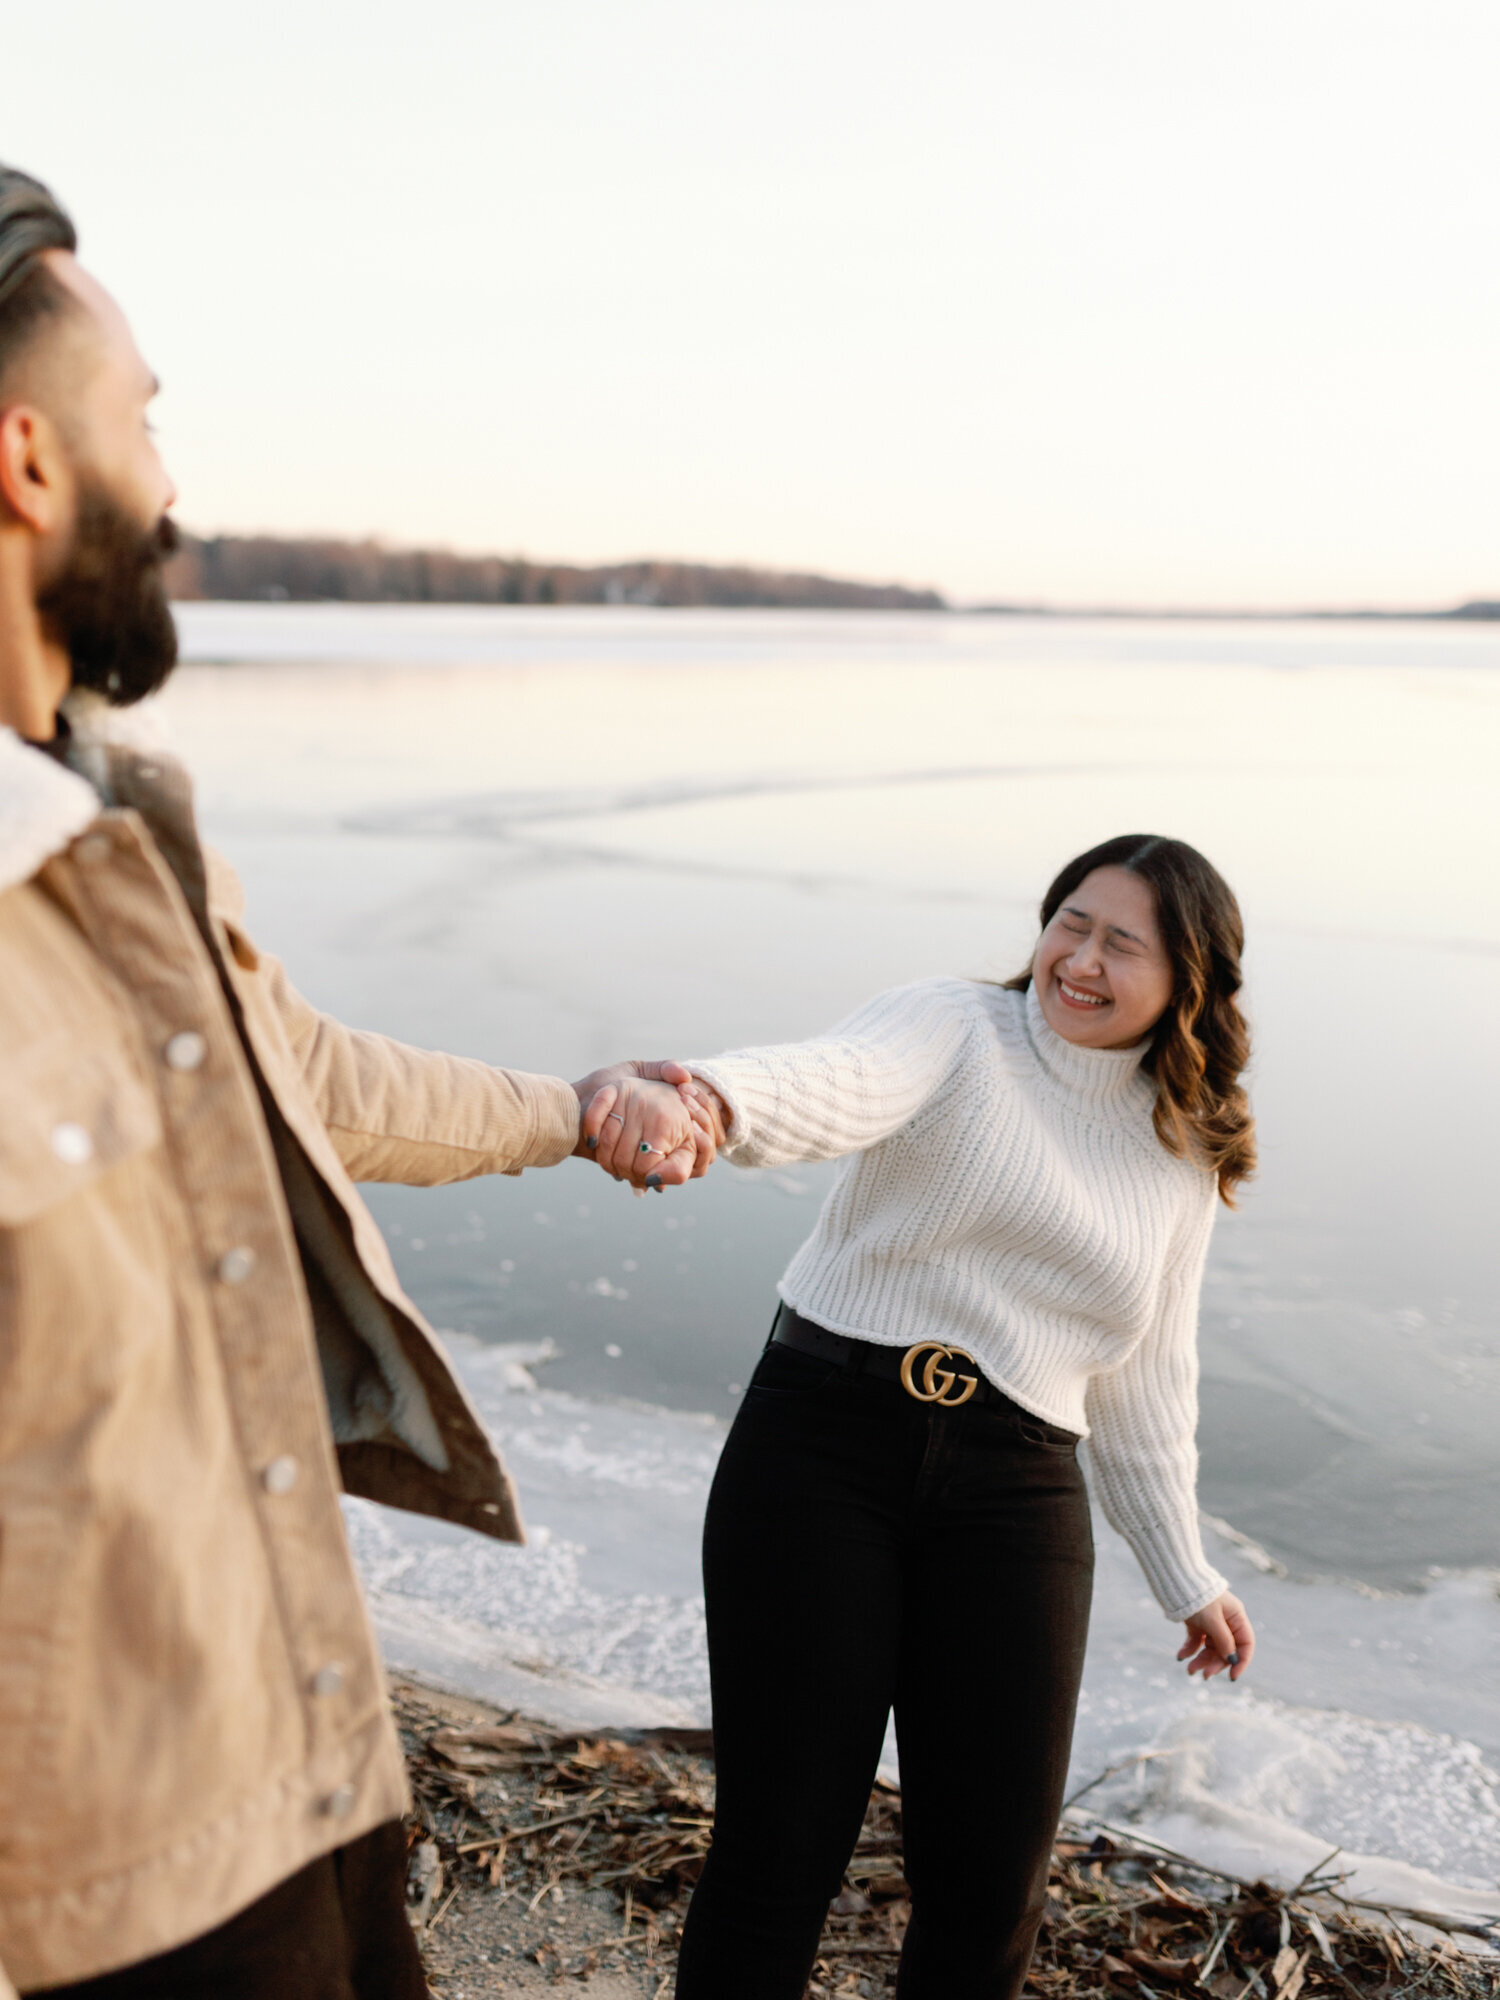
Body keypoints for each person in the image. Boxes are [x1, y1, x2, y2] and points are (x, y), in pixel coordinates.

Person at [0, 165, 705, 1999]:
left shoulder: (122, 839)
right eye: (142, 418)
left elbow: (293, 1073)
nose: (174, 482)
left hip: (303, 1756)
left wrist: (570, 1105)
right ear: (28, 462)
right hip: (100, 1892)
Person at [587, 833, 1259, 1999]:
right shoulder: (956, 1025)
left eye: (1121, 942)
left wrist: (1185, 1566)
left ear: (1187, 979)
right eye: (1070, 922)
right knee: (781, 1841)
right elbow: (830, 1079)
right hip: (823, 1445)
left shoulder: (1180, 1144)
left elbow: (1149, 1374)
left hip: (1022, 1485)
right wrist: (708, 1096)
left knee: (993, 1875)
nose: (1080, 958)